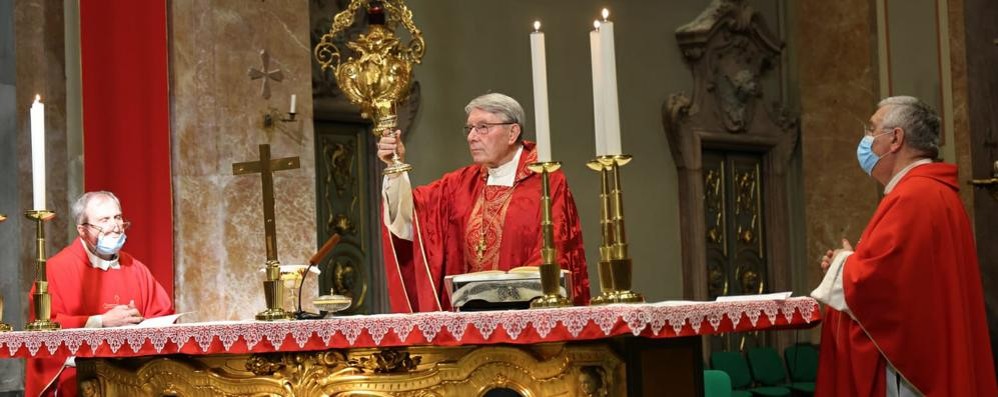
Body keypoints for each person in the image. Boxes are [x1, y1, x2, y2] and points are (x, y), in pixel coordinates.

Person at [811, 96, 997, 396]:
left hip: (910, 375)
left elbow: (879, 285)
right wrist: (851, 261)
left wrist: (843, 264)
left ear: (896, 138)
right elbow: (906, 277)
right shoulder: (932, 191)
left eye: (872, 130)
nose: (866, 141)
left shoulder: (914, 196)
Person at [378, 93, 589, 312]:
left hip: (527, 315)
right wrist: (395, 169)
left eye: (483, 127)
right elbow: (411, 218)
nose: (472, 137)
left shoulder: (546, 179)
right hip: (467, 320)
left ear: (512, 132)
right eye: (469, 129)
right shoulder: (459, 184)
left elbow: (556, 248)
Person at [25, 191, 174, 397]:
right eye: (104, 220)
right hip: (80, 375)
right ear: (82, 230)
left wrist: (141, 323)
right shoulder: (55, 270)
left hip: (136, 374)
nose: (115, 226)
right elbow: (43, 330)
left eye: (118, 217)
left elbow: (163, 316)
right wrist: (101, 321)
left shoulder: (136, 269)